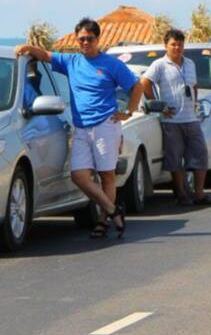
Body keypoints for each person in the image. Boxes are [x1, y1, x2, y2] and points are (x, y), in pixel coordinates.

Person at [15, 17, 144, 239]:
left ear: (98, 39)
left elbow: (137, 86)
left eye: (89, 39)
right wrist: (27, 48)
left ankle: (103, 221)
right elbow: (46, 56)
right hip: (81, 127)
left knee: (106, 176)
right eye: (81, 39)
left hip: (106, 125)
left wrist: (128, 112)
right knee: (79, 176)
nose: (85, 42)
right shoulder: (72, 61)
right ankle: (114, 210)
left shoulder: (111, 64)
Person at [140, 29, 211, 206]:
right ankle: (181, 194)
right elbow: (144, 83)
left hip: (191, 118)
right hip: (172, 120)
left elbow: (194, 86)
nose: (177, 48)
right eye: (173, 44)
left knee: (200, 154)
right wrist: (160, 106)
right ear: (166, 46)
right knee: (175, 158)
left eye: (180, 44)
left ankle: (199, 193)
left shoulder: (190, 63)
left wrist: (195, 104)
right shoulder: (159, 65)